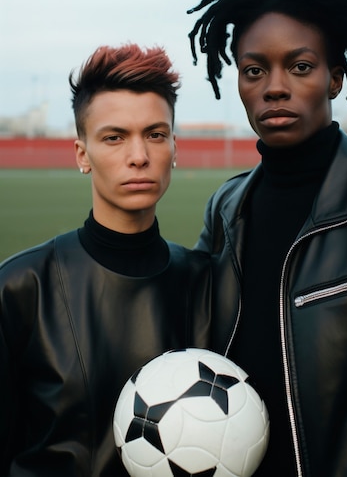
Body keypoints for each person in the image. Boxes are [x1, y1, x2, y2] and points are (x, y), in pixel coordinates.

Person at [187, 0, 347, 477]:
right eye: (253, 70)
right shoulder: (225, 207)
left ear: (335, 78)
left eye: (300, 66)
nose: (274, 88)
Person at [0, 44, 211, 476]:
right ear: (82, 155)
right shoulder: (21, 287)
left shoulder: (208, 283)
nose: (139, 156)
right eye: (114, 137)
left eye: (155, 134)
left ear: (174, 147)